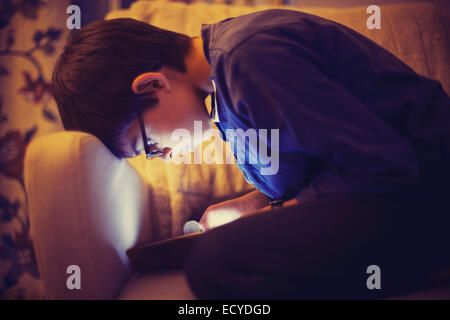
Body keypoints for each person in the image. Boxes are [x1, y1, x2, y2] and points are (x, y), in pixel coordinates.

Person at [52, 9, 450, 299]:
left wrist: (273, 216)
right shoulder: (222, 98)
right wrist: (249, 206)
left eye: (150, 147)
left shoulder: (249, 60)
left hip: (428, 190)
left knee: (216, 262)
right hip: (394, 192)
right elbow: (326, 166)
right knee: (216, 254)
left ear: (152, 85)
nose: (166, 157)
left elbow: (383, 166)